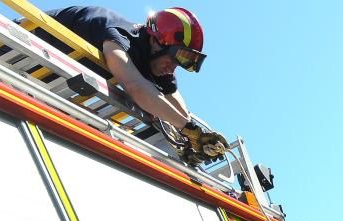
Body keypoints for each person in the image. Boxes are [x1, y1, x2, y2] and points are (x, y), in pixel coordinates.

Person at [41, 6, 226, 163]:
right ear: (155, 40)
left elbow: (177, 107)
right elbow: (135, 86)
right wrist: (187, 129)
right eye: (172, 59)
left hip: (48, 76)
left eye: (179, 63)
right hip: (23, 40)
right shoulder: (118, 34)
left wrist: (196, 139)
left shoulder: (156, 62)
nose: (172, 68)